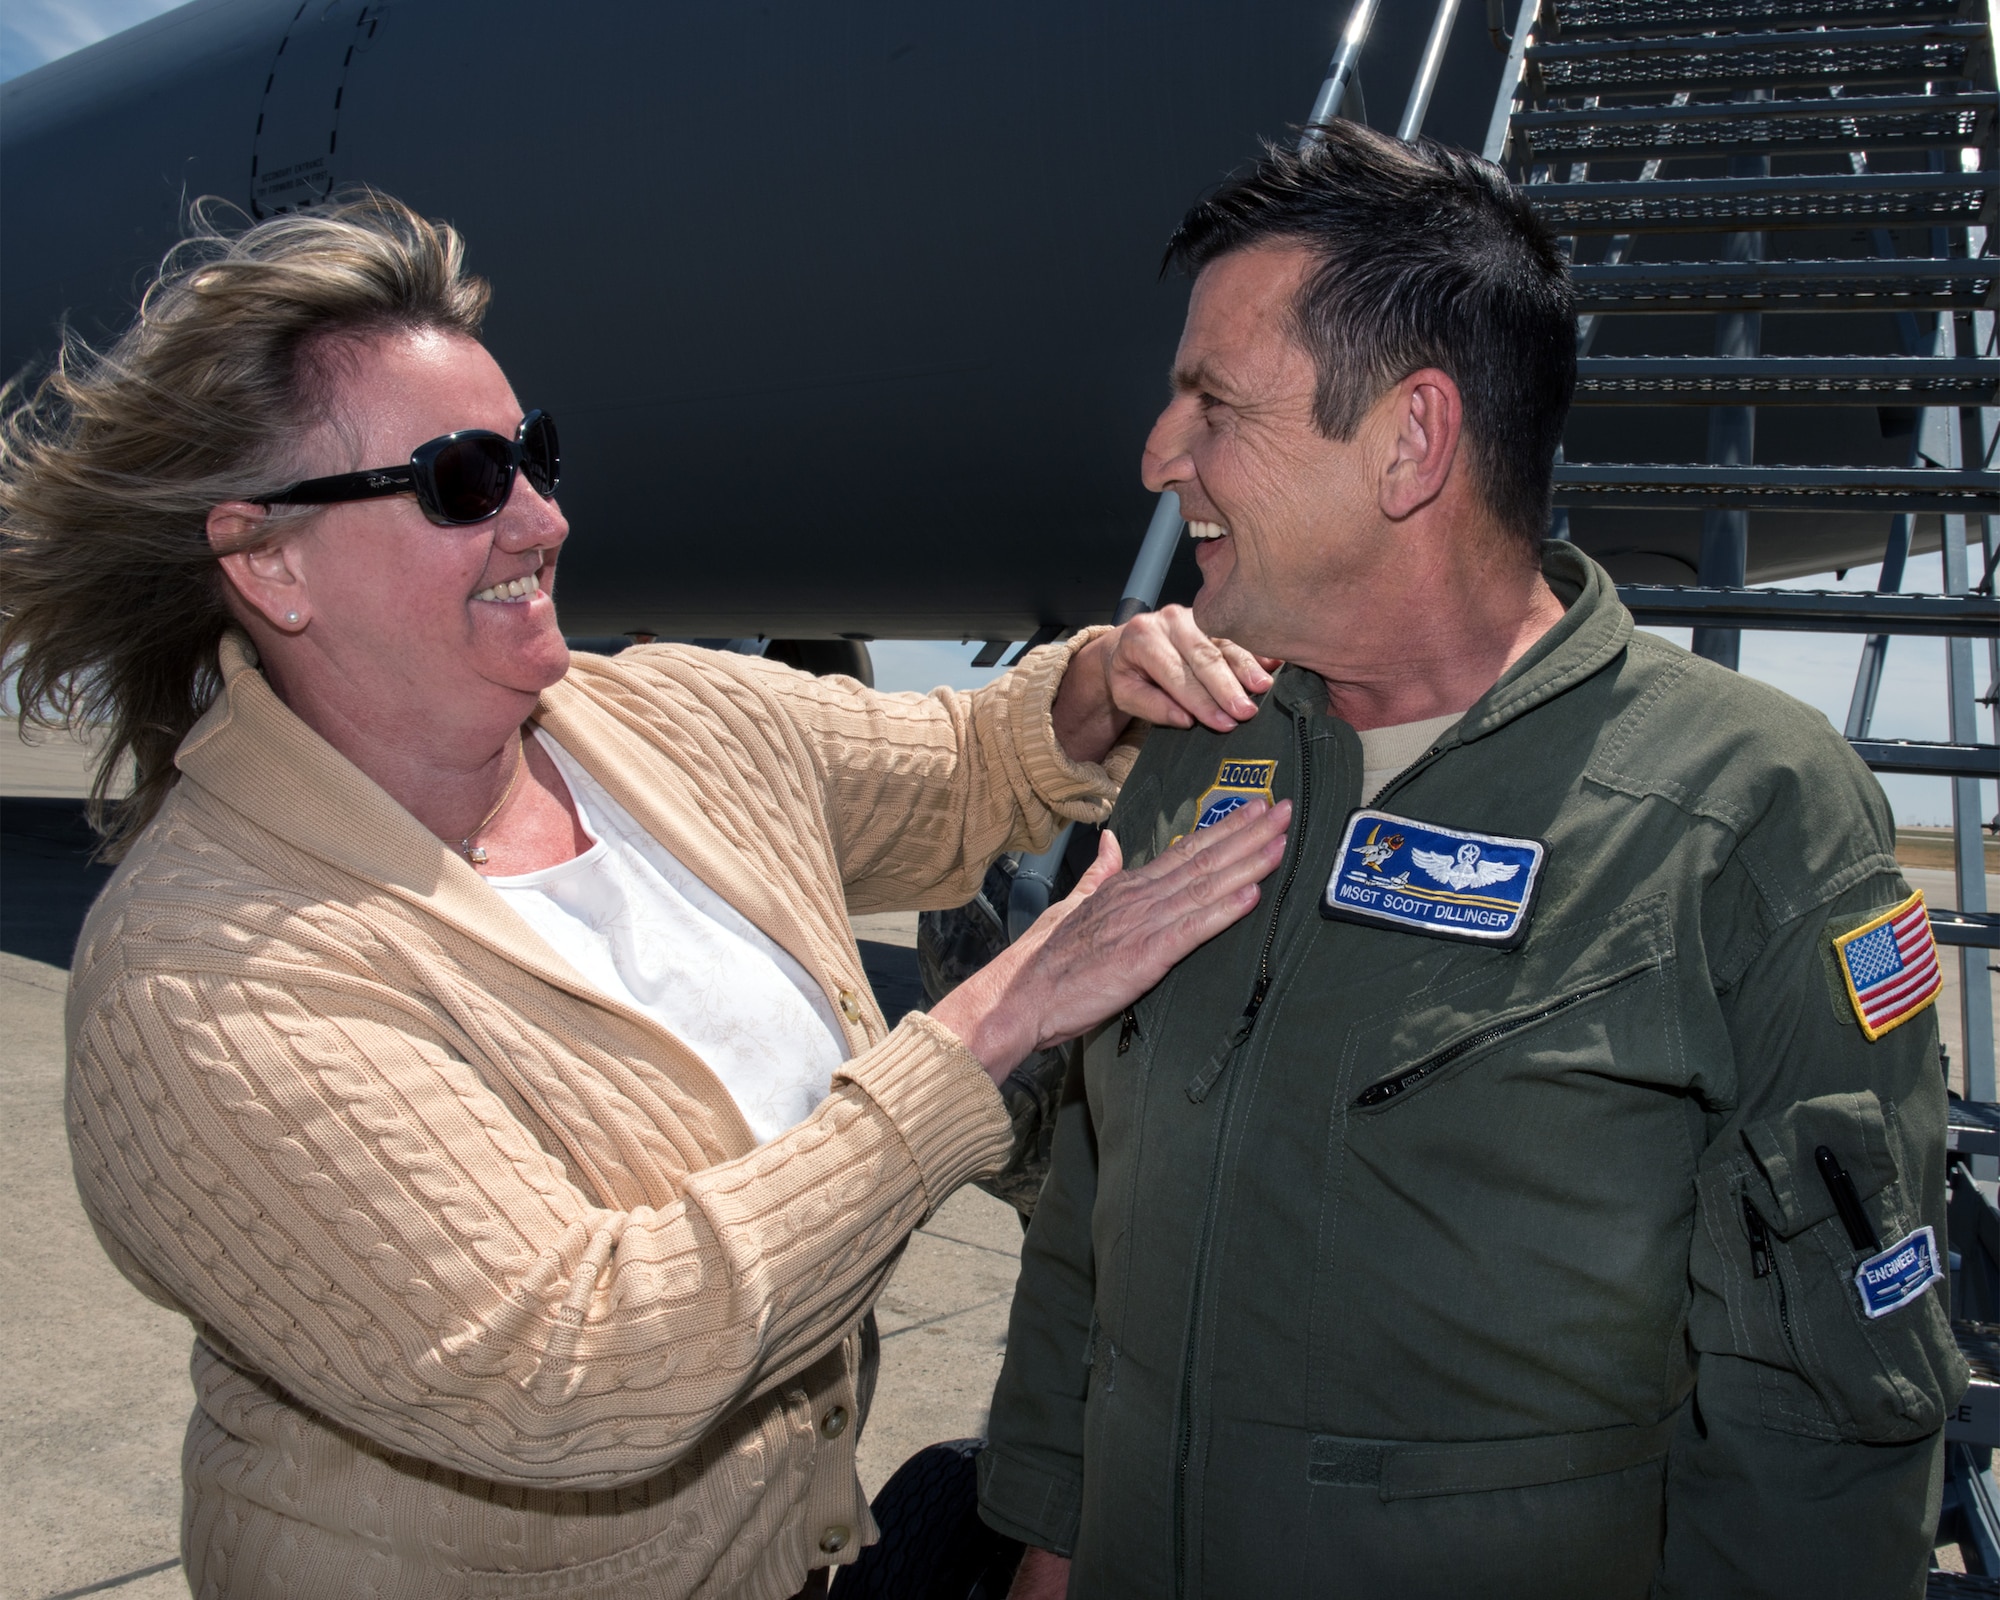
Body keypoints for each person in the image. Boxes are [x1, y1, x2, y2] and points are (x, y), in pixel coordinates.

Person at [0, 193, 1295, 1600]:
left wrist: (1101, 681)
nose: (545, 519)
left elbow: (972, 759)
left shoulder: (657, 722)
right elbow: (571, 1367)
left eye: (535, 456)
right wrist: (988, 1028)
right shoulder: (205, 979)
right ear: (268, 563)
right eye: (462, 481)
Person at [980, 122, 1965, 1599]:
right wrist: (1048, 1555)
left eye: (1213, 403)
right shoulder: (1199, 753)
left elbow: (1822, 1409)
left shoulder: (1741, 809)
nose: (1157, 453)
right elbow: (1092, 1220)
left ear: (1411, 443)